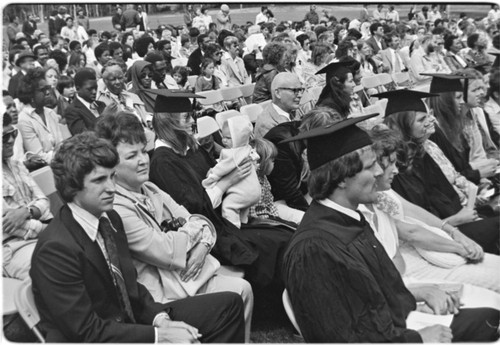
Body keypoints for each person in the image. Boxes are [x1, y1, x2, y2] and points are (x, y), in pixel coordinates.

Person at [282, 114, 500, 343]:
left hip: (398, 325)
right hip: (397, 337)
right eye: (370, 166)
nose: (379, 172)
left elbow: (378, 293)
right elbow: (337, 336)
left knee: (490, 318)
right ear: (341, 178)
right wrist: (418, 339)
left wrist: (420, 298)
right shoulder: (314, 249)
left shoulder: (351, 220)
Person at [30, 132, 245, 342]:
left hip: (126, 323)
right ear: (71, 187)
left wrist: (161, 319)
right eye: (99, 180)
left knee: (229, 306)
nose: (111, 187)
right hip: (98, 336)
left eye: (112, 176)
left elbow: (132, 289)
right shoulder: (55, 249)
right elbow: (86, 331)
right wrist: (159, 336)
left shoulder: (110, 219)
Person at [94, 112, 253, 342]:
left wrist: (203, 244)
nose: (143, 160)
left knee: (243, 289)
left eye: (143, 151)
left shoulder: (150, 189)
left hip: (186, 275)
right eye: (131, 156)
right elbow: (165, 251)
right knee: (236, 295)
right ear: (111, 164)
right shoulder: (116, 207)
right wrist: (193, 234)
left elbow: (202, 222)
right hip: (161, 295)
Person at [147, 89, 293, 289]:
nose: (193, 122)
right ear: (169, 121)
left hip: (225, 218)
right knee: (274, 245)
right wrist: (227, 183)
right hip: (209, 232)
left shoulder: (191, 148)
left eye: (192, 116)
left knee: (284, 234)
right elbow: (194, 208)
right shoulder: (162, 162)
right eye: (186, 117)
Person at [368, 126, 500, 293]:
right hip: (415, 263)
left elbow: (410, 210)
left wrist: (453, 232)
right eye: (391, 163)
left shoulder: (384, 189)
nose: (396, 169)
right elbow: (410, 232)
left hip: (433, 244)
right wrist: (458, 245)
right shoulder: (368, 196)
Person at [378, 89, 499, 255]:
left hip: (459, 219)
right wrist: (454, 221)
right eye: (422, 119)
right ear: (403, 126)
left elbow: (449, 191)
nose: (431, 120)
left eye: (429, 115)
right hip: (441, 235)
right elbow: (412, 222)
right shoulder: (395, 170)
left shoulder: (422, 151)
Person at [3, 112, 52, 280]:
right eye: (4, 137)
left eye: (13, 134)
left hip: (39, 233)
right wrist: (49, 230)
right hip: (11, 247)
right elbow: (8, 225)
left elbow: (44, 201)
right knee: (52, 268)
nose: (10, 140)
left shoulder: (17, 166)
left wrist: (27, 211)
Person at [203, 116, 260, 228]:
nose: (224, 140)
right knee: (242, 207)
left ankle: (234, 228)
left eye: (228, 138)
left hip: (243, 193)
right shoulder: (246, 148)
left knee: (228, 206)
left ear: (239, 138)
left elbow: (222, 168)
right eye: (223, 136)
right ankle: (244, 221)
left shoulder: (231, 153)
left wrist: (211, 176)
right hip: (255, 191)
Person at [17, 68, 68, 163]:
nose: (47, 93)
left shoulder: (50, 113)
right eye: (42, 90)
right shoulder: (24, 120)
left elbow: (61, 144)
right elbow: (39, 157)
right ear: (30, 94)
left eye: (47, 88)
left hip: (61, 162)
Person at [254, 72, 303, 138]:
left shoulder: (296, 111)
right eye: (294, 90)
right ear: (278, 93)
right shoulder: (266, 124)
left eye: (300, 90)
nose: (300, 95)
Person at [64, 68, 106, 135]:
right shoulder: (72, 110)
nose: (94, 92)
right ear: (78, 89)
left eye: (95, 88)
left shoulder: (101, 105)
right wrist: (104, 117)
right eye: (90, 89)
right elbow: (83, 136)